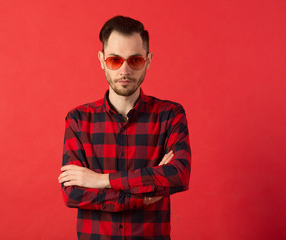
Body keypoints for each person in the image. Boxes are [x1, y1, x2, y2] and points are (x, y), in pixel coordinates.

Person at [58, 15, 191, 240]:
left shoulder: (170, 115)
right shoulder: (78, 119)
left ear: (148, 60)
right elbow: (73, 193)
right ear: (101, 60)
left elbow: (179, 174)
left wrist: (102, 180)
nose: (125, 70)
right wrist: (144, 196)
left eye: (135, 60)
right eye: (114, 60)